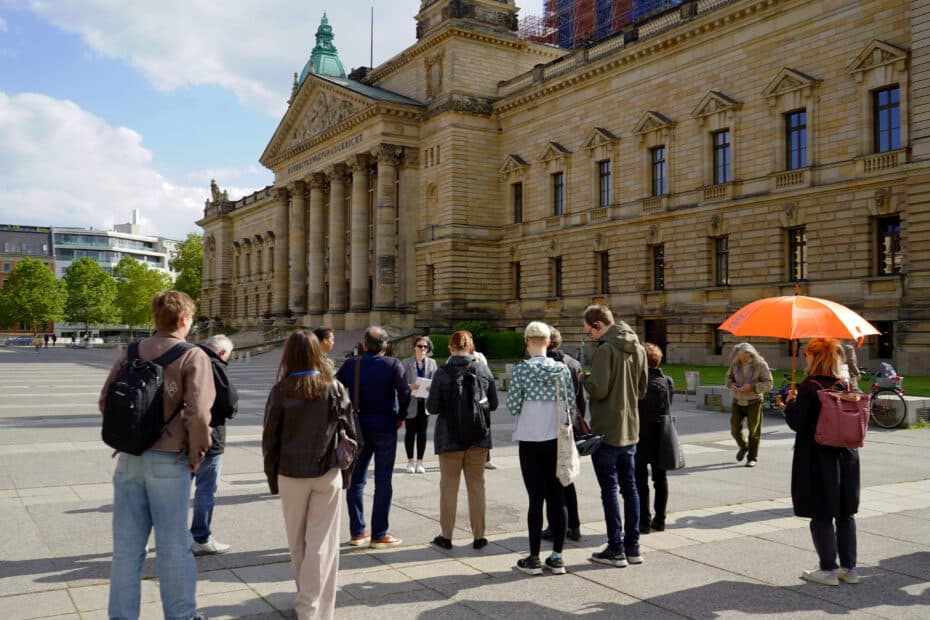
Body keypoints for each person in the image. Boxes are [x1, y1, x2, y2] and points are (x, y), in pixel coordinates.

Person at [99, 290, 214, 620]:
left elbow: (106, 401)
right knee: (173, 547)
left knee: (126, 550)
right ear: (183, 320)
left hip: (129, 459)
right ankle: (181, 615)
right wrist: (197, 453)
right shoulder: (192, 355)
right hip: (170, 459)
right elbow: (199, 415)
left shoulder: (132, 351)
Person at [263, 330, 357, 619]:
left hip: (290, 473)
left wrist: (272, 477)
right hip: (327, 471)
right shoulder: (335, 387)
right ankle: (315, 608)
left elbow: (270, 440)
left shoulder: (280, 390)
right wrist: (347, 475)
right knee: (323, 544)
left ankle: (306, 602)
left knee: (298, 543)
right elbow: (351, 435)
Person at [784, 337, 860, 586]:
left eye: (807, 353)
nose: (805, 357)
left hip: (818, 456)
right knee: (845, 513)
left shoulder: (809, 387)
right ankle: (849, 569)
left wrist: (790, 404)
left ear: (814, 356)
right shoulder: (846, 383)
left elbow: (798, 423)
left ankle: (828, 568)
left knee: (821, 512)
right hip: (847, 455)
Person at [582, 304, 648, 568]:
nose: (590, 336)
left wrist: (583, 378)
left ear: (598, 325)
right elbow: (642, 390)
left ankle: (616, 549)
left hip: (606, 429)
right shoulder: (639, 348)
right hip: (630, 428)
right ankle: (633, 547)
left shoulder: (605, 350)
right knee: (630, 489)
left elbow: (597, 389)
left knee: (609, 490)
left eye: (590, 332)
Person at [508, 321, 574, 576]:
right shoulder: (561, 369)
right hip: (555, 438)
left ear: (527, 342)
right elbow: (569, 401)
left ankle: (534, 556)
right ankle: (557, 556)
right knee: (557, 498)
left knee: (535, 499)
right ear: (548, 342)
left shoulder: (522, 371)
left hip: (530, 438)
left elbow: (513, 406)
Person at [335, 326, 411, 548]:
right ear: (385, 348)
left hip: (357, 428)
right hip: (386, 425)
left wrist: (344, 415)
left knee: (355, 481)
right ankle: (379, 534)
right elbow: (405, 392)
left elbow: (334, 389)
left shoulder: (351, 364)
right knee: (383, 481)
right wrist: (401, 415)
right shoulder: (393, 364)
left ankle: (358, 532)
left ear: (364, 345)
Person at [426, 330, 498, 550]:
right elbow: (493, 404)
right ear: (471, 347)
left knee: (449, 487)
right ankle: (479, 536)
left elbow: (432, 407)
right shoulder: (483, 369)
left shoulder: (442, 372)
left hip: (449, 438)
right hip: (478, 438)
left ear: (450, 348)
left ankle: (446, 536)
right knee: (477, 487)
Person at [190, 334, 239, 555]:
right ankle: (200, 537)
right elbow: (228, 402)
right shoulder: (214, 364)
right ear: (221, 352)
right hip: (210, 436)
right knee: (205, 490)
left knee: (177, 490)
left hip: (179, 436)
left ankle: (172, 535)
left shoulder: (186, 357)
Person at [542, 326, 586, 542]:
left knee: (552, 480)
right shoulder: (573, 363)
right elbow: (581, 400)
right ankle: (574, 526)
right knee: (567, 478)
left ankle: (555, 526)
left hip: (550, 427)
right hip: (570, 425)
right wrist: (578, 425)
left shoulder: (543, 365)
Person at [635, 343, 674, 534]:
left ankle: (643, 521)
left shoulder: (636, 382)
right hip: (661, 435)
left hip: (640, 435)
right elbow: (668, 407)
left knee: (640, 480)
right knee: (661, 479)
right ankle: (660, 519)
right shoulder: (667, 381)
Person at [725, 342, 773, 467]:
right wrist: (731, 385)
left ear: (751, 354)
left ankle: (752, 458)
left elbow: (769, 383)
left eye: (744, 356)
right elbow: (728, 378)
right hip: (737, 401)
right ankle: (744, 446)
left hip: (754, 401)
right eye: (739, 356)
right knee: (735, 429)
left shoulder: (761, 364)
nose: (741, 358)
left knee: (754, 431)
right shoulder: (735, 363)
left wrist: (752, 387)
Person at [402, 336, 437, 474]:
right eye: (420, 346)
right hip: (411, 402)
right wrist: (410, 386)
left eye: (425, 347)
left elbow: (436, 381)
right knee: (410, 433)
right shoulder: (405, 363)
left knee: (422, 433)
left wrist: (432, 387)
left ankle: (420, 462)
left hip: (425, 403)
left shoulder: (432, 363)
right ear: (414, 348)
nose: (423, 349)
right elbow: (400, 383)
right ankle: (410, 461)